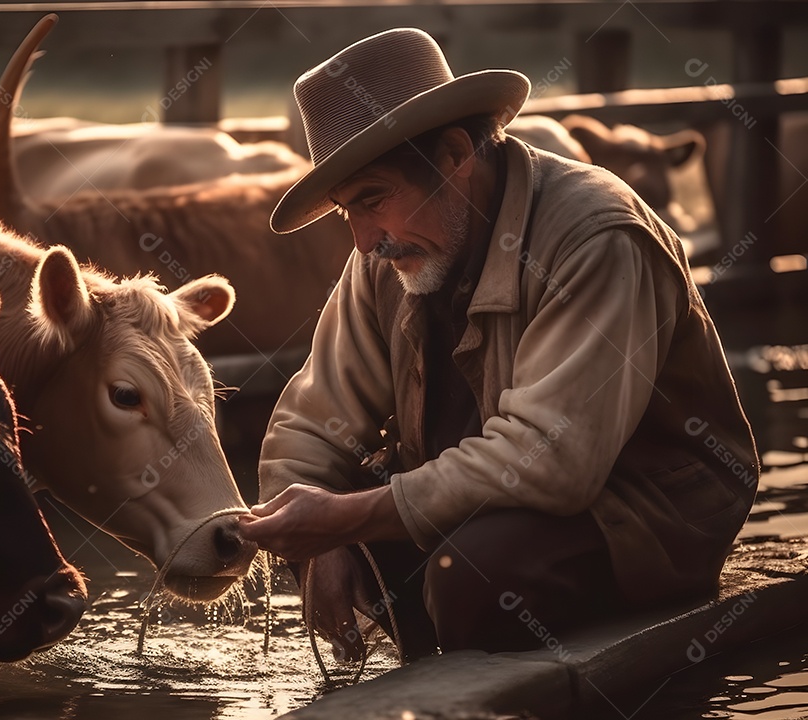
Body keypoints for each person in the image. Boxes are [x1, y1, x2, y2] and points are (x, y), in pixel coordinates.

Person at [237, 27, 759, 662]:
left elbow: (550, 458)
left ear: (456, 153)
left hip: (637, 509)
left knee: (475, 580)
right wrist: (321, 544)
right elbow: (309, 421)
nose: (362, 240)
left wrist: (347, 517)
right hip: (477, 501)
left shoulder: (594, 236)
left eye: (373, 199)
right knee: (361, 551)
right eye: (348, 210)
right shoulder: (384, 257)